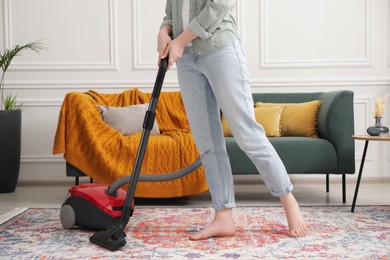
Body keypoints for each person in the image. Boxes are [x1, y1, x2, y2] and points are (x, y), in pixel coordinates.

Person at [157, 0, 307, 240]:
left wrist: (180, 41)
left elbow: (218, 7)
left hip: (220, 50)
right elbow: (170, 13)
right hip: (186, 60)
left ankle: (288, 199)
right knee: (207, 143)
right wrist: (164, 31)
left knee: (247, 134)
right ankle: (223, 216)